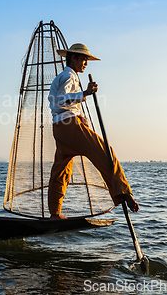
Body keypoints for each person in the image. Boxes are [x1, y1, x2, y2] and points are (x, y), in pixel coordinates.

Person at [47, 43, 139, 219]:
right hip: (69, 126)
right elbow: (60, 100)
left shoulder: (64, 77)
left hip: (60, 127)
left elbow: (61, 104)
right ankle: (124, 193)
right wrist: (85, 93)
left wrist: (81, 117)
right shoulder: (68, 76)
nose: (86, 63)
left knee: (61, 170)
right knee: (105, 152)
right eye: (83, 59)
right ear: (73, 58)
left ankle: (55, 213)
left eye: (87, 60)